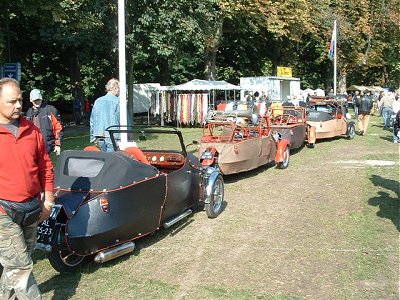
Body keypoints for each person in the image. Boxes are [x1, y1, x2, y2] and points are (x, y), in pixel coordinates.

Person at [0, 78, 55, 299]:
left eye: (20, 100)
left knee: (15, 269)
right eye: (12, 101)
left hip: (32, 208)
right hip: (3, 211)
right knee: (21, 269)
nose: (18, 105)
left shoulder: (32, 130)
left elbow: (46, 168)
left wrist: (48, 201)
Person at [26, 89, 63, 155]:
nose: (37, 101)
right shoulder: (29, 113)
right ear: (30, 100)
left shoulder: (51, 109)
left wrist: (58, 145)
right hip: (33, 147)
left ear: (41, 98)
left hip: (48, 147)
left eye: (38, 99)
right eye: (35, 100)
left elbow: (58, 128)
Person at [90, 78, 120, 152]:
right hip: (113, 135)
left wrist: (92, 137)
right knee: (112, 160)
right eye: (119, 88)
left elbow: (92, 120)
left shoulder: (97, 101)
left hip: (99, 135)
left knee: (104, 159)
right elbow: (121, 119)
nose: (120, 91)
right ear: (115, 88)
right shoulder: (118, 101)